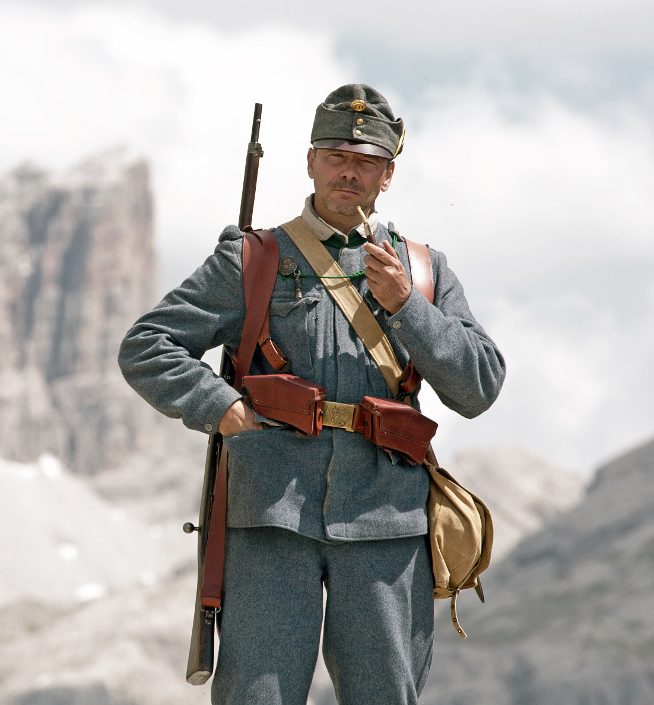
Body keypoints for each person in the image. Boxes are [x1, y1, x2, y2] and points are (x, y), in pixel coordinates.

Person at [118, 84, 505, 704]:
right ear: (310, 162)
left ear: (388, 175)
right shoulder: (253, 259)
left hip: (387, 522)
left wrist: (406, 306)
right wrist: (218, 405)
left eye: (365, 162)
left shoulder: (425, 272)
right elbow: (148, 345)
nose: (347, 173)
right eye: (334, 157)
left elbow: (480, 385)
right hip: (271, 515)